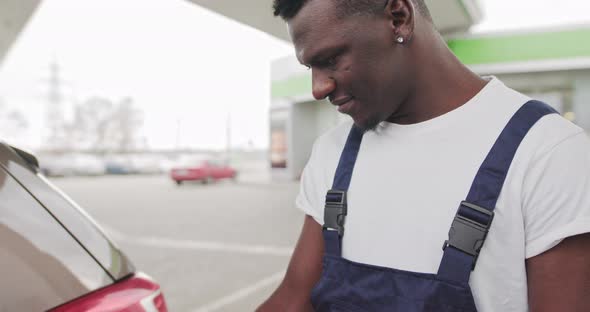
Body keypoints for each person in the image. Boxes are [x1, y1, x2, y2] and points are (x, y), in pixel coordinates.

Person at [257, 0, 590, 311]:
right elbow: (294, 298)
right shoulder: (332, 151)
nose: (317, 88)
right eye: (310, 67)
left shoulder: (547, 153)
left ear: (399, 18)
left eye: (330, 59)